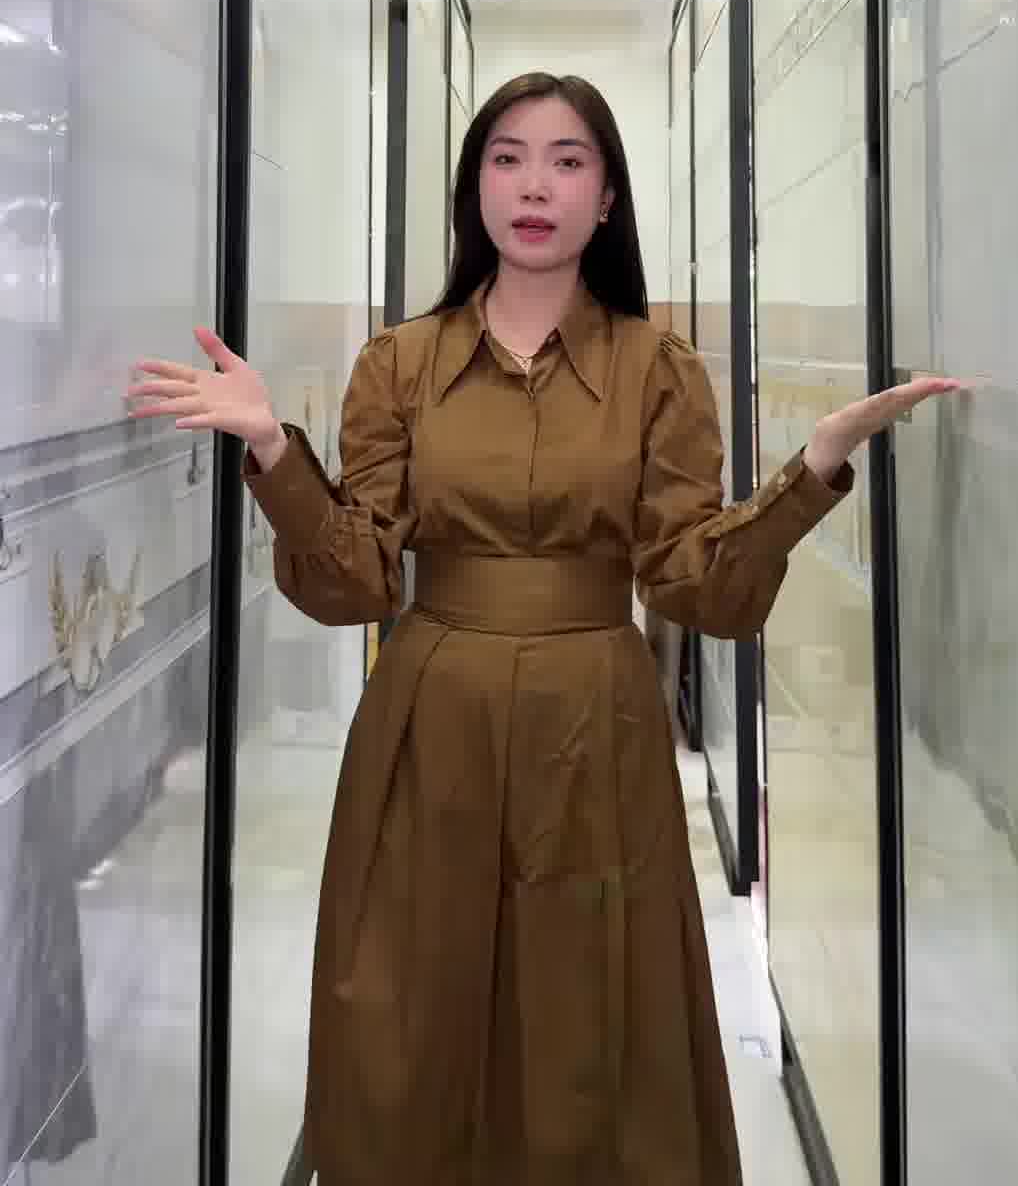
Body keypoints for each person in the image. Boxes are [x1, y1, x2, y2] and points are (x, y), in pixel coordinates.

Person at [129, 72, 958, 1186]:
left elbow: (695, 586)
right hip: (429, 723)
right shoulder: (398, 365)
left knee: (592, 1014)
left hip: (597, 727)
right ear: (475, 187)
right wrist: (274, 451)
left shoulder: (660, 371)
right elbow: (355, 581)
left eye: (569, 162)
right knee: (410, 1009)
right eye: (508, 158)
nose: (535, 186)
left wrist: (812, 470)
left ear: (606, 199)